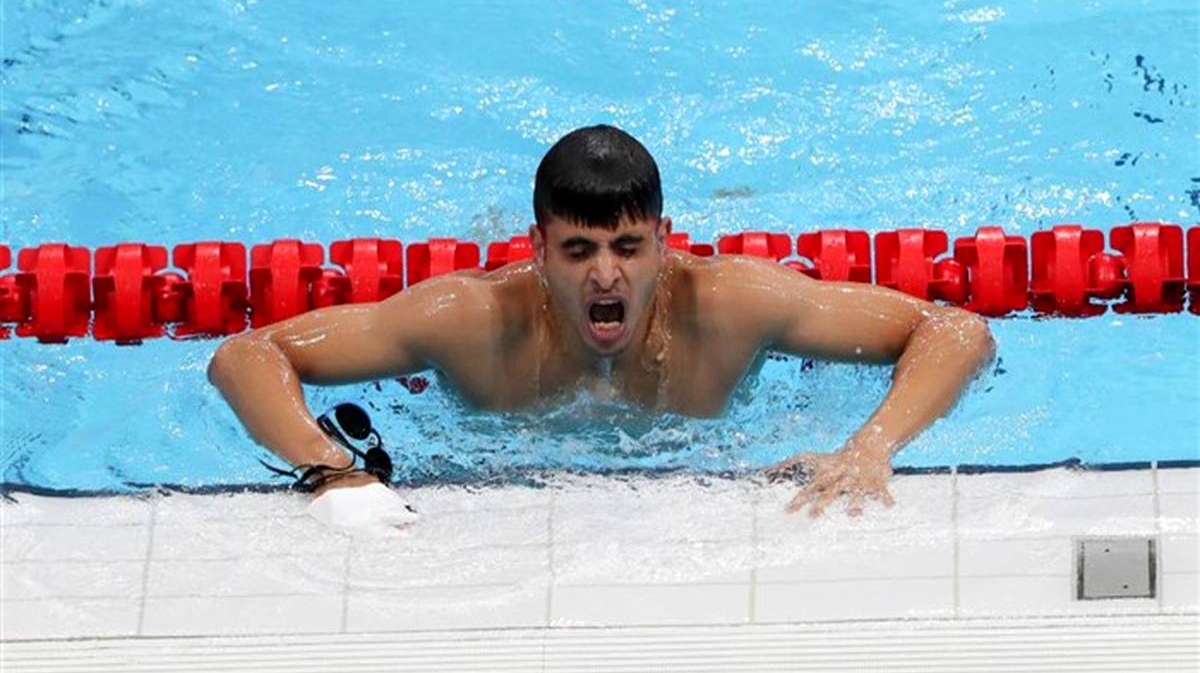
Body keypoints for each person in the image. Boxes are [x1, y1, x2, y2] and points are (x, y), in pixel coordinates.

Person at [207, 124, 995, 522]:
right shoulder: (469, 317)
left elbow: (956, 331)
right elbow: (246, 355)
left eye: (627, 246)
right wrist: (332, 468)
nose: (606, 275)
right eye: (578, 250)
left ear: (664, 240)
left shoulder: (731, 302)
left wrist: (870, 445)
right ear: (538, 248)